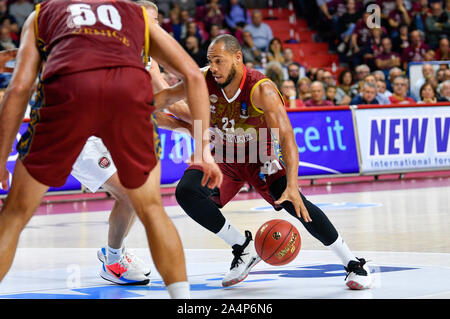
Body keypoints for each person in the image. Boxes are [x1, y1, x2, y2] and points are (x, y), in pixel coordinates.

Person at [0, 0, 223, 299]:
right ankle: (176, 295)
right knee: (150, 207)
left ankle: (114, 257)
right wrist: (204, 149)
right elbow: (193, 77)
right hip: (117, 107)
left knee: (14, 214)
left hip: (68, 99)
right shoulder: (134, 17)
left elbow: (18, 89)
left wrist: (1, 158)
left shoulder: (45, 13)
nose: (154, 22)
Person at [164, 34, 372, 290]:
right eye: (210, 61)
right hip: (223, 158)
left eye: (219, 61)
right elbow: (168, 98)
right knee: (186, 192)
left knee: (296, 205)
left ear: (237, 58)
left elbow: (286, 137)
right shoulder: (204, 79)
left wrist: (293, 185)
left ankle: (353, 263)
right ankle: (243, 247)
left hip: (259, 159)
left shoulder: (261, 89)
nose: (213, 67)